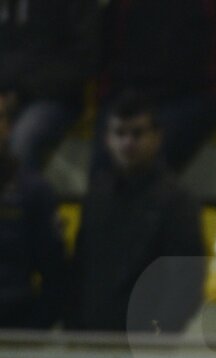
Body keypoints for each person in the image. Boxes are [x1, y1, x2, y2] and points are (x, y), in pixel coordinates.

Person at [66, 93, 204, 335]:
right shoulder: (97, 195)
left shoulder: (177, 201)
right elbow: (81, 267)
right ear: (107, 139)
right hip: (92, 338)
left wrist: (160, 333)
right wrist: (75, 327)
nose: (128, 142)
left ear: (157, 137)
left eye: (137, 133)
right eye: (120, 133)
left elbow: (187, 281)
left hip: (147, 342)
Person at [93, 0, 216, 174]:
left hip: (192, 97)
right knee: (104, 169)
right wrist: (106, 92)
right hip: (127, 94)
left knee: (149, 168)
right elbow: (103, 47)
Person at [0, 0, 100, 171]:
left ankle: (22, 196)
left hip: (56, 97)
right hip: (9, 93)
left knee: (23, 140)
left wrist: (22, 91)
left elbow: (85, 58)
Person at [0, 97, 68, 329]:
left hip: (15, 325)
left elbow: (55, 275)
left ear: (9, 127)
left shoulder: (34, 190)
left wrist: (34, 330)